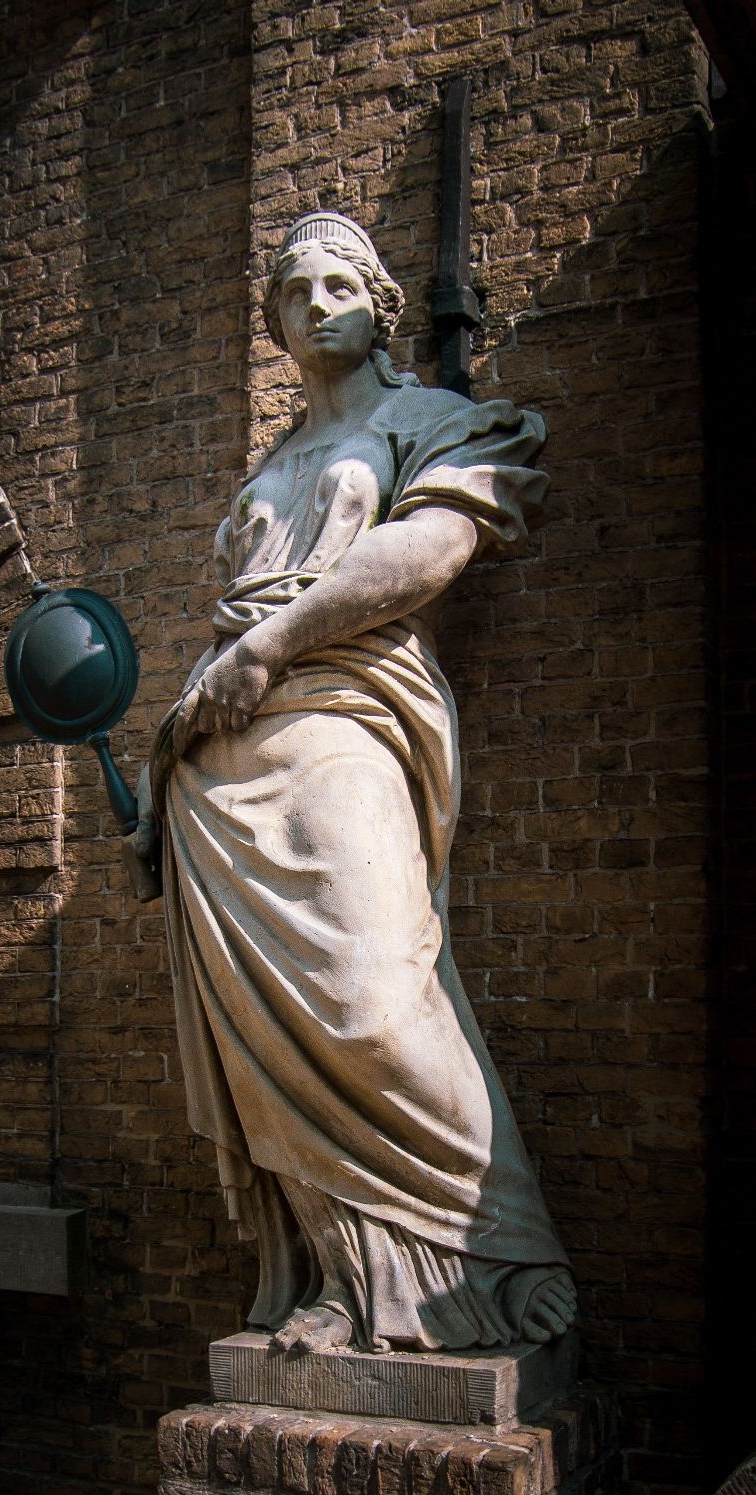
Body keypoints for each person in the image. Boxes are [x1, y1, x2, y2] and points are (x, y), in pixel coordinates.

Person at [137, 210, 576, 1355]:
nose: (318, 300)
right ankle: (344, 1284)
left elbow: (428, 552)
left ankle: (500, 1245)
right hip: (222, 767)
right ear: (274, 324)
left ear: (381, 306)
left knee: (374, 1000)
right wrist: (181, 735)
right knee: (271, 1052)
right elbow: (229, 629)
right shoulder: (266, 472)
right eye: (295, 289)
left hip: (342, 722)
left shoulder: (422, 420)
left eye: (342, 282)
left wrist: (270, 645)